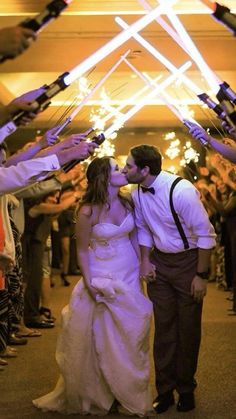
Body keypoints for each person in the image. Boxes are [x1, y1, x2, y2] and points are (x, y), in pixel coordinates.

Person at [33, 156, 153, 416]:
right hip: (101, 272)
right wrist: (88, 282)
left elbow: (134, 238)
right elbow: (83, 252)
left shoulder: (128, 201)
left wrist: (143, 266)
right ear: (103, 177)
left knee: (130, 333)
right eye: (117, 169)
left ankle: (127, 391)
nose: (123, 171)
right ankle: (103, 393)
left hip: (129, 271)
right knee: (101, 335)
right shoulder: (87, 210)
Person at [122, 145, 216, 414]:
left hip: (189, 261)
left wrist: (201, 275)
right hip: (160, 263)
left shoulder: (182, 191)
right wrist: (145, 260)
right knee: (163, 329)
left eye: (128, 166)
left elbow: (206, 235)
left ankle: (186, 389)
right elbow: (143, 229)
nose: (124, 169)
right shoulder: (137, 192)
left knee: (187, 329)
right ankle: (164, 391)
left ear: (144, 170)